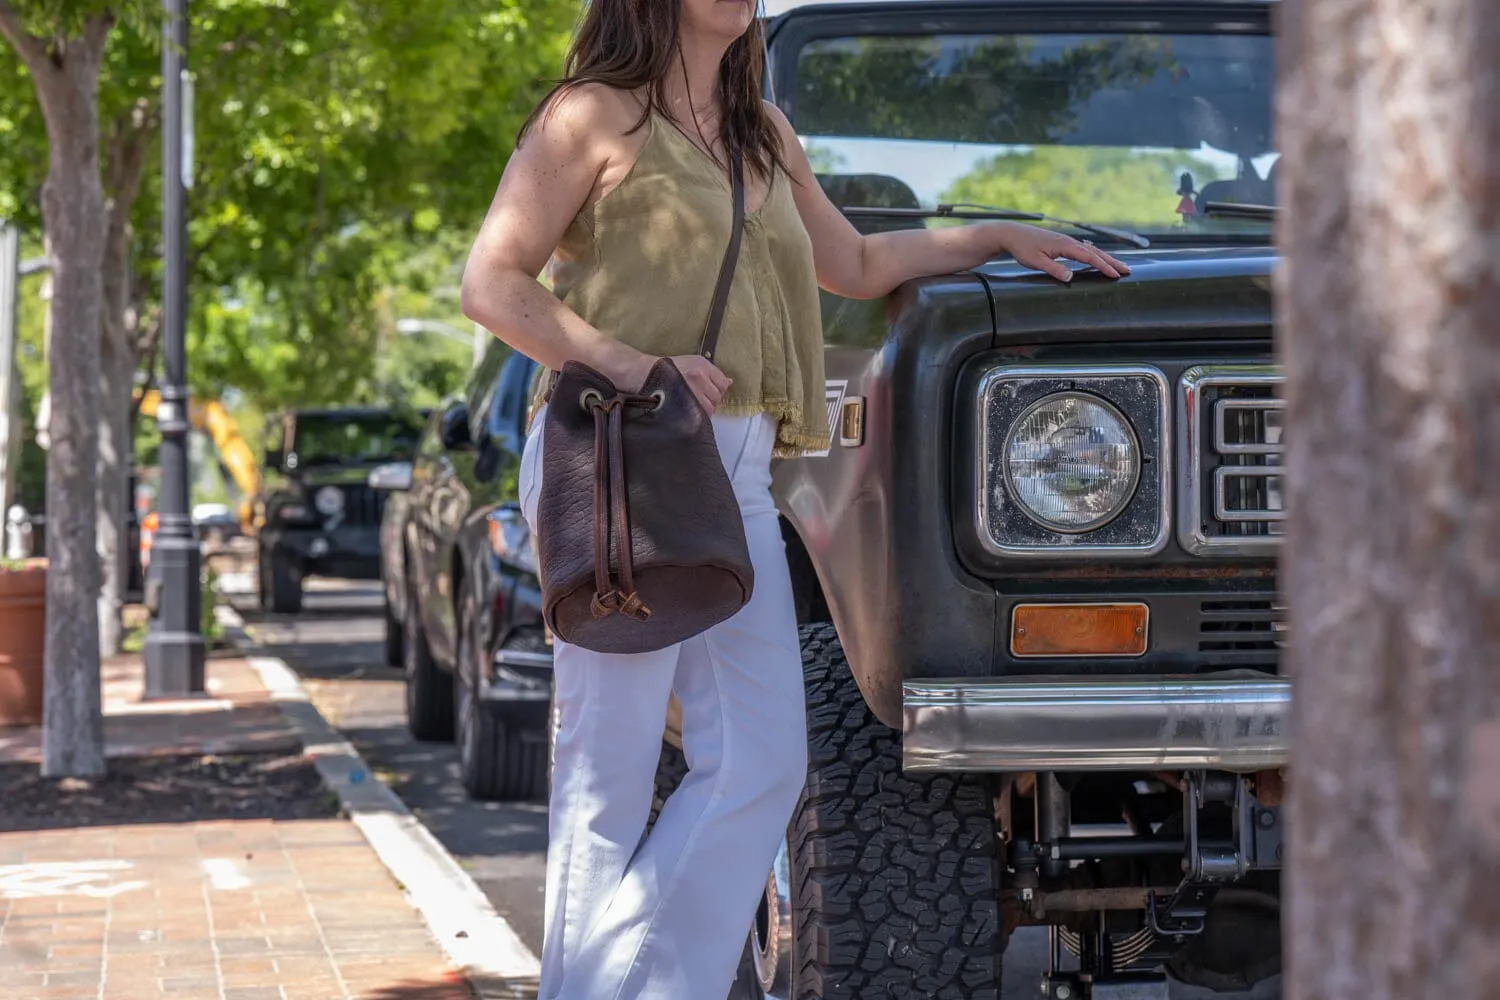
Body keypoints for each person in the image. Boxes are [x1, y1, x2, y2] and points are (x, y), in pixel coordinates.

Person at [458, 0, 1130, 996]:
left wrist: (992, 235)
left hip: (736, 463)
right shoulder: (589, 116)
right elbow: (491, 282)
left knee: (765, 759)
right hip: (623, 449)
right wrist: (633, 362)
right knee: (609, 773)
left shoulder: (758, 129)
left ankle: (629, 985)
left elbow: (853, 264)